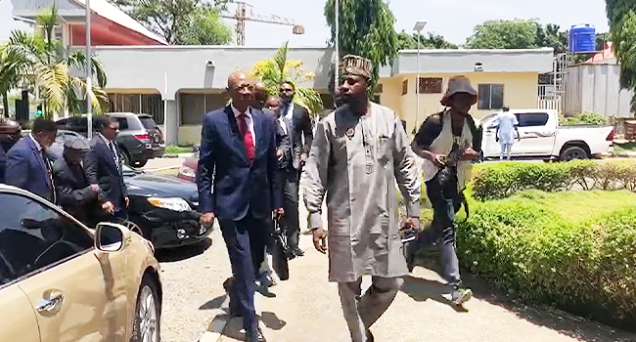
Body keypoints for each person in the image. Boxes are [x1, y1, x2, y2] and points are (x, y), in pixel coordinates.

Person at [302, 55, 421, 342]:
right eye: (342, 81)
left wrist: (414, 210)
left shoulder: (388, 119)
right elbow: (315, 170)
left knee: (391, 282)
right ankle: (359, 337)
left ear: (367, 85)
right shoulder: (330, 125)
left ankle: (359, 325)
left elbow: (405, 165)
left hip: (383, 218)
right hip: (344, 221)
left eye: (351, 81)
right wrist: (315, 218)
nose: (343, 86)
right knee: (347, 287)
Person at [197, 71, 282, 342]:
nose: (245, 92)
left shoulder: (265, 121)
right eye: (239, 87)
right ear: (230, 91)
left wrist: (278, 203)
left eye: (248, 87)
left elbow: (271, 165)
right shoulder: (214, 122)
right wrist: (206, 206)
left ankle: (235, 291)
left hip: (260, 205)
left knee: (256, 263)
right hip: (230, 206)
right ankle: (251, 325)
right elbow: (205, 168)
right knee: (243, 264)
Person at [409, 75, 482, 306]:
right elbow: (415, 146)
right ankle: (454, 287)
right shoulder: (435, 122)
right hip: (436, 180)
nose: (464, 103)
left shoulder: (474, 125)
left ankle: (412, 246)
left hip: (457, 183)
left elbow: (477, 151)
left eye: (467, 98)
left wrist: (471, 154)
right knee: (449, 229)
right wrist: (432, 156)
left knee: (440, 227)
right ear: (450, 100)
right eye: (459, 98)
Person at [278, 80, 312, 255]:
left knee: (291, 203)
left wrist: (305, 152)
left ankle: (293, 243)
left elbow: (308, 134)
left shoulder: (300, 112)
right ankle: (278, 241)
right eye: (282, 90)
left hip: (293, 166)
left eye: (288, 90)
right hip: (274, 167)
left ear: (294, 92)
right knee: (277, 204)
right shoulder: (272, 111)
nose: (285, 93)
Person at [84, 116, 129, 222]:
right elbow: (91, 175)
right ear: (103, 128)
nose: (117, 131)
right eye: (113, 128)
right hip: (105, 202)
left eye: (118, 128)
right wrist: (102, 200)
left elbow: (118, 172)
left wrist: (124, 193)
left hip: (118, 200)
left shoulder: (114, 145)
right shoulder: (94, 146)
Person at [5, 118, 58, 203]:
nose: (54, 141)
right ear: (41, 134)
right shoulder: (20, 152)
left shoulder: (41, 149)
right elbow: (15, 189)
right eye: (52, 137)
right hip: (28, 210)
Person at [53, 138, 100, 226]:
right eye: (79, 154)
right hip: (71, 215)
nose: (82, 157)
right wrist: (90, 191)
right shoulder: (62, 169)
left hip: (83, 212)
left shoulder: (74, 163)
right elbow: (66, 197)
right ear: (70, 152)